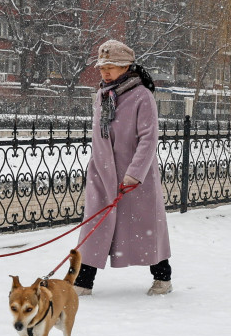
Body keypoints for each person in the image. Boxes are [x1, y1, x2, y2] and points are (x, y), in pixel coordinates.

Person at [74, 39, 173, 296]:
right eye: (102, 67)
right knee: (94, 225)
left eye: (112, 66)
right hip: (102, 173)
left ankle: (163, 277)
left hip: (133, 177)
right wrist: (96, 166)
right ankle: (83, 281)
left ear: (127, 66)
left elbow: (149, 138)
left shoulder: (142, 96)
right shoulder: (102, 94)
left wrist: (134, 174)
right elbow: (99, 136)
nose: (105, 71)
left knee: (146, 227)